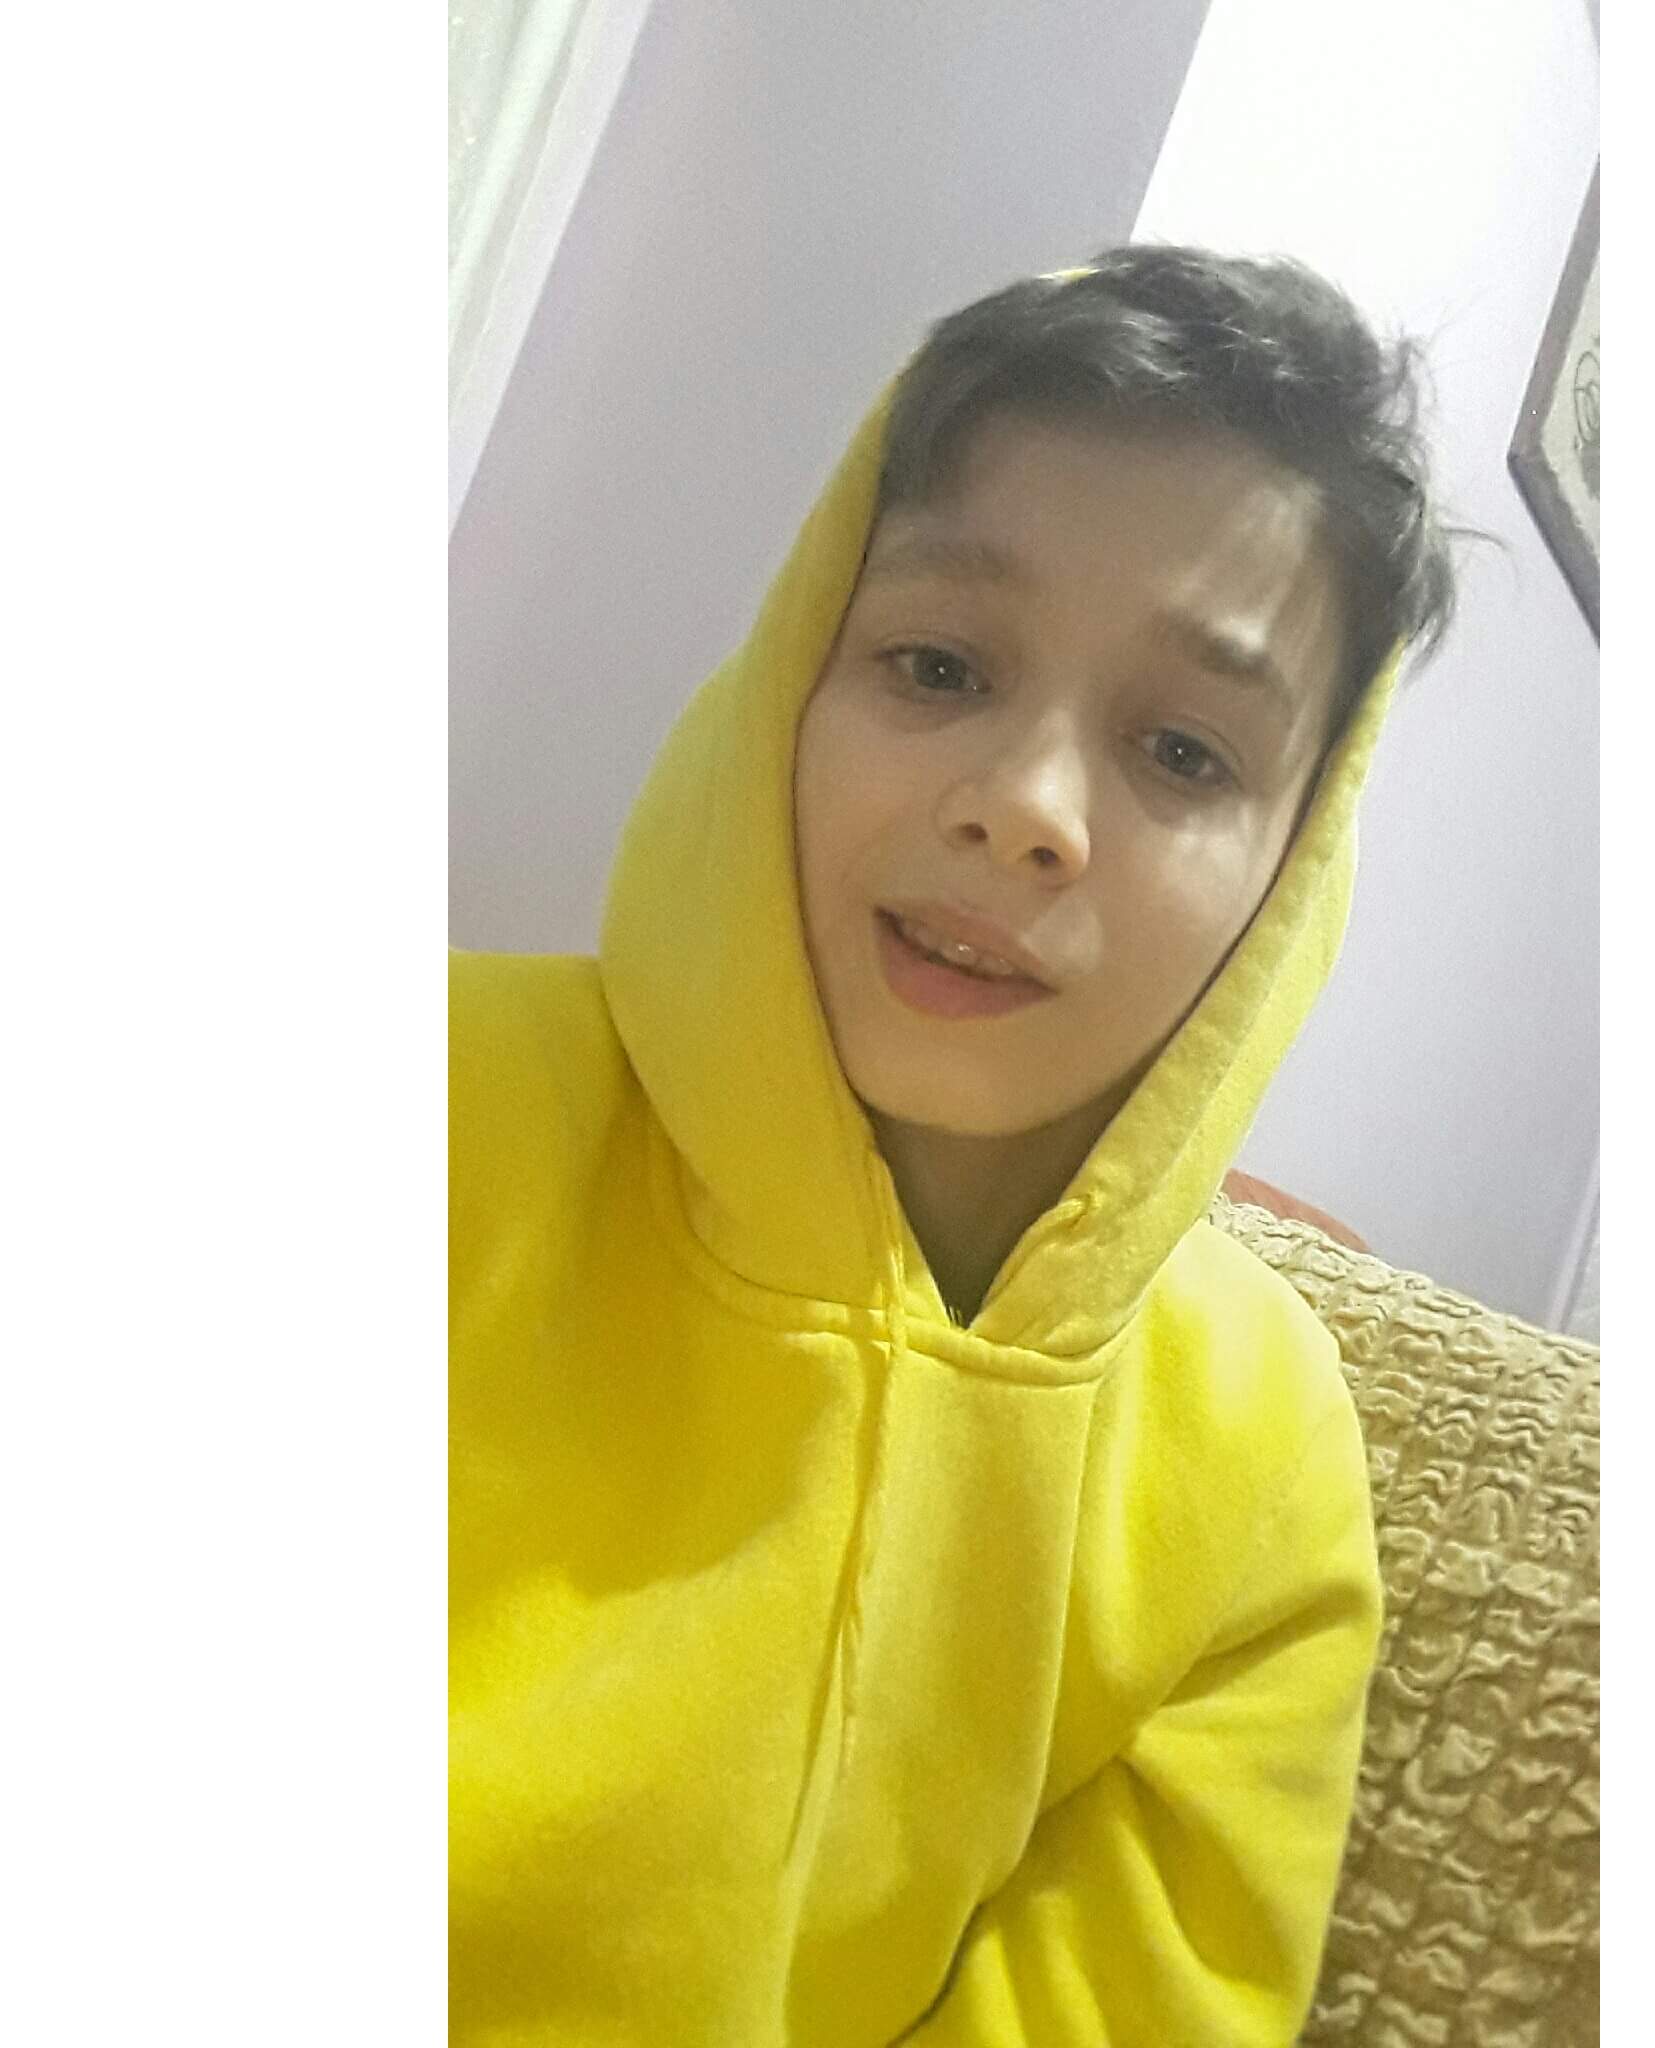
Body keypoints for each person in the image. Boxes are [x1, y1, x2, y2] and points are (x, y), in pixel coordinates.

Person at [450, 243, 1458, 2045]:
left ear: (1297, 870)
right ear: (794, 673)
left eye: (1182, 751)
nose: (1025, 809)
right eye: (935, 664)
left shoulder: (1261, 1460)